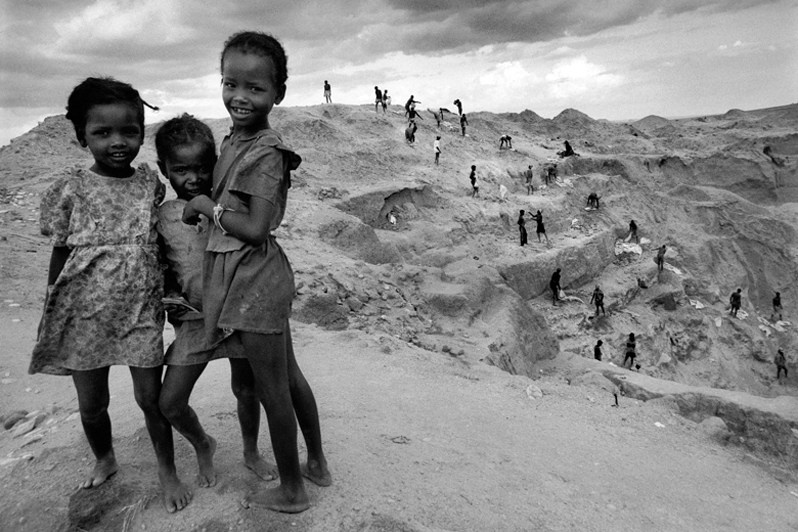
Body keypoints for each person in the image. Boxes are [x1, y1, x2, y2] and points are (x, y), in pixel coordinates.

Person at [182, 31, 330, 513]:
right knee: (289, 376)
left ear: (277, 94)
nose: (240, 97)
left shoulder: (265, 151)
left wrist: (205, 206)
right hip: (253, 277)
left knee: (273, 389)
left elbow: (256, 227)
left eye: (255, 88)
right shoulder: (236, 139)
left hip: (255, 280)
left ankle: (292, 490)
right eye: (231, 84)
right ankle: (316, 464)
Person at [156, 114, 316, 511]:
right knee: (170, 401)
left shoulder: (225, 205)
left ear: (215, 164)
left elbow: (255, 232)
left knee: (248, 389)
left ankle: (251, 452)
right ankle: (203, 443)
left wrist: (212, 208)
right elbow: (163, 268)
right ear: (163, 169)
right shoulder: (163, 217)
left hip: (238, 310)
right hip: (196, 321)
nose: (193, 178)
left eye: (201, 168)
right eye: (181, 170)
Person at [29, 78, 177, 501]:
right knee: (92, 405)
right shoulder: (71, 189)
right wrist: (51, 302)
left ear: (142, 133)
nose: (117, 142)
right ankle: (105, 458)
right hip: (83, 314)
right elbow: (61, 250)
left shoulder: (149, 184)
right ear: (82, 137)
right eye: (102, 132)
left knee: (151, 399)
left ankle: (167, 470)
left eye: (129, 131)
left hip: (140, 312)